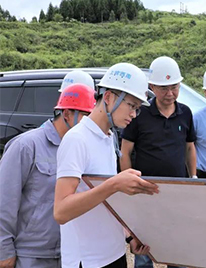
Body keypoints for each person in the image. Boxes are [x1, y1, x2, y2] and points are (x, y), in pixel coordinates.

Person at [54, 63, 159, 268]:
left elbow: (105, 202)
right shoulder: (77, 139)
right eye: (131, 105)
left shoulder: (108, 137)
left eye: (138, 108)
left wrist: (128, 235)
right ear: (109, 98)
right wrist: (113, 185)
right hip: (88, 261)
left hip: (114, 254)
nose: (135, 114)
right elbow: (61, 211)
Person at [0, 83, 95, 268]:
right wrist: (4, 250)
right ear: (66, 114)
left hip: (70, 253)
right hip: (31, 255)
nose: (90, 124)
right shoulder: (27, 146)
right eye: (86, 116)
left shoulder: (83, 148)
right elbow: (4, 200)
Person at [120, 56, 195, 268]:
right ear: (152, 86)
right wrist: (129, 183)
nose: (170, 93)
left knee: (178, 243)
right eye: (164, 88)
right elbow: (125, 151)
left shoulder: (186, 113)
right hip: (146, 190)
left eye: (174, 87)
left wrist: (194, 177)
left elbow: (190, 147)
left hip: (178, 189)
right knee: (144, 245)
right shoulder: (140, 114)